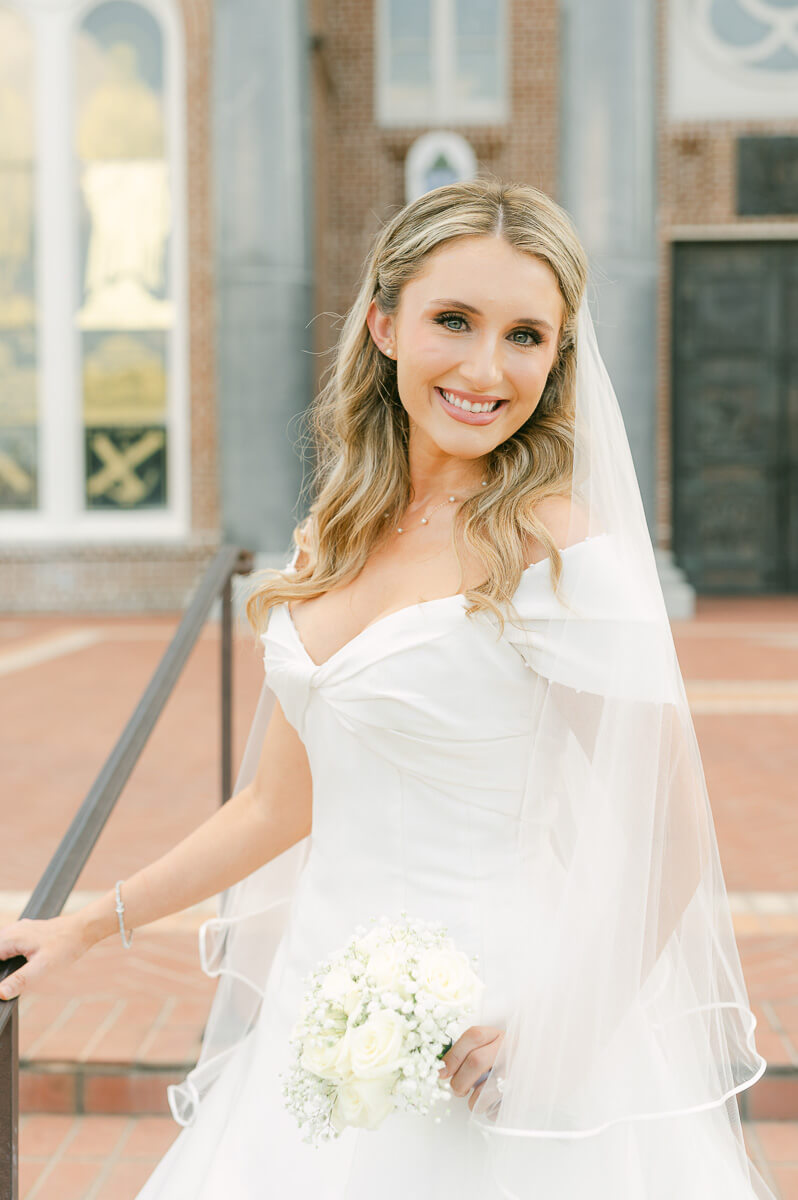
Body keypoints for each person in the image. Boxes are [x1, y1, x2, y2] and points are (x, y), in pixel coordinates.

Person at [0, 179, 776, 1198]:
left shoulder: (559, 553)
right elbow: (280, 803)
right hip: (321, 1006)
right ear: (384, 324)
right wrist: (89, 927)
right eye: (454, 320)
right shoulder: (338, 528)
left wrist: (556, 1036)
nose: (486, 368)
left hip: (493, 1021)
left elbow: (669, 831)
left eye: (526, 336)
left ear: (557, 358)